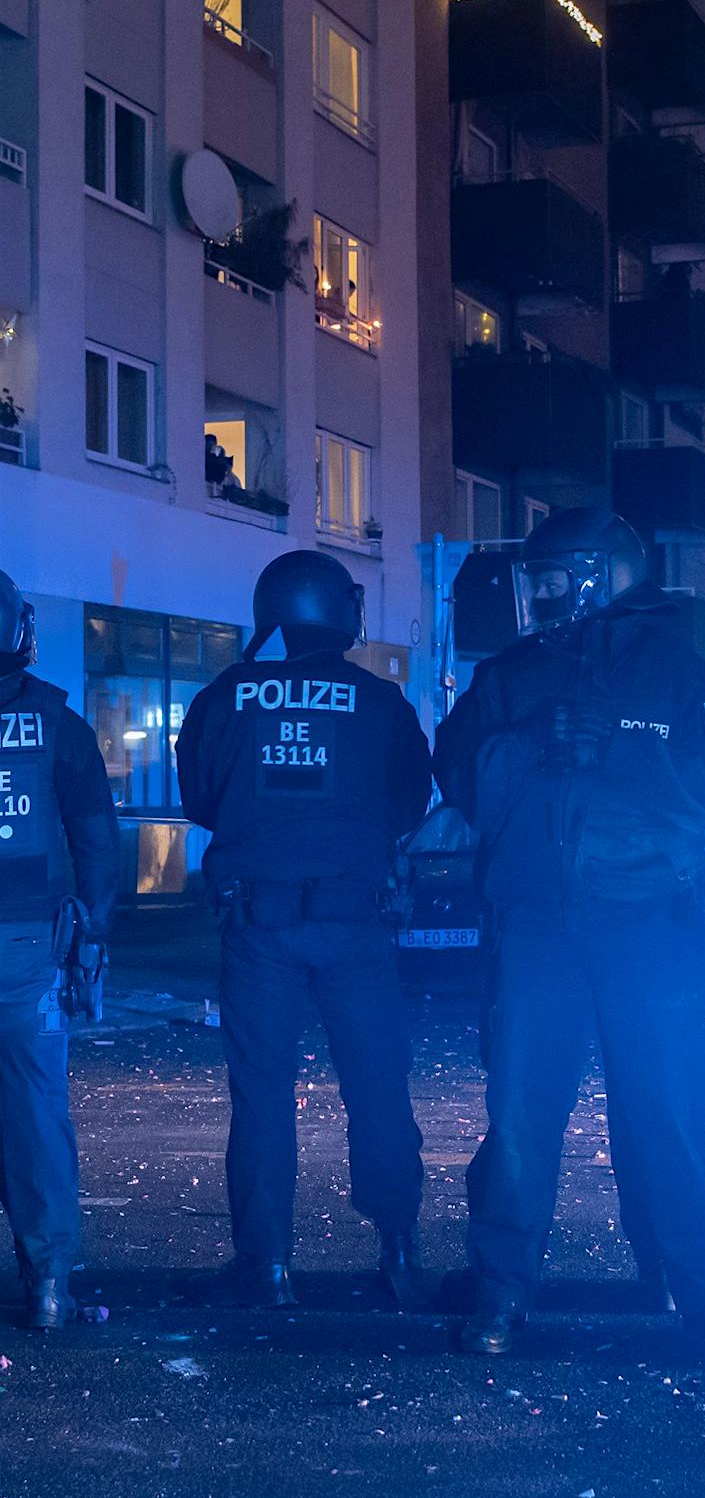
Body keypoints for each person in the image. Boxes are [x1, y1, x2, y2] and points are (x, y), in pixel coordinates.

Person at [433, 507, 705, 1357]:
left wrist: (624, 750)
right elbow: (461, 781)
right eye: (531, 581)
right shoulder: (512, 675)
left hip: (647, 924)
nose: (537, 597)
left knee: (669, 1114)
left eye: (551, 578)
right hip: (536, 926)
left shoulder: (673, 667)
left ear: (600, 572)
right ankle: (501, 1294)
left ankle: (698, 1290)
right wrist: (527, 740)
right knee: (520, 1119)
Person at [176, 550, 433, 1309]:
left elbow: (199, 798)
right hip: (355, 922)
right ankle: (396, 1246)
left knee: (261, 1093)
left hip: (259, 923)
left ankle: (268, 1263)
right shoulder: (380, 701)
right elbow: (410, 804)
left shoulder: (227, 696)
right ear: (340, 611)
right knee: (378, 1085)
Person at [0, 569, 118, 1329]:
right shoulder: (57, 727)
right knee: (37, 1119)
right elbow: (99, 844)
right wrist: (92, 935)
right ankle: (49, 1288)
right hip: (23, 951)